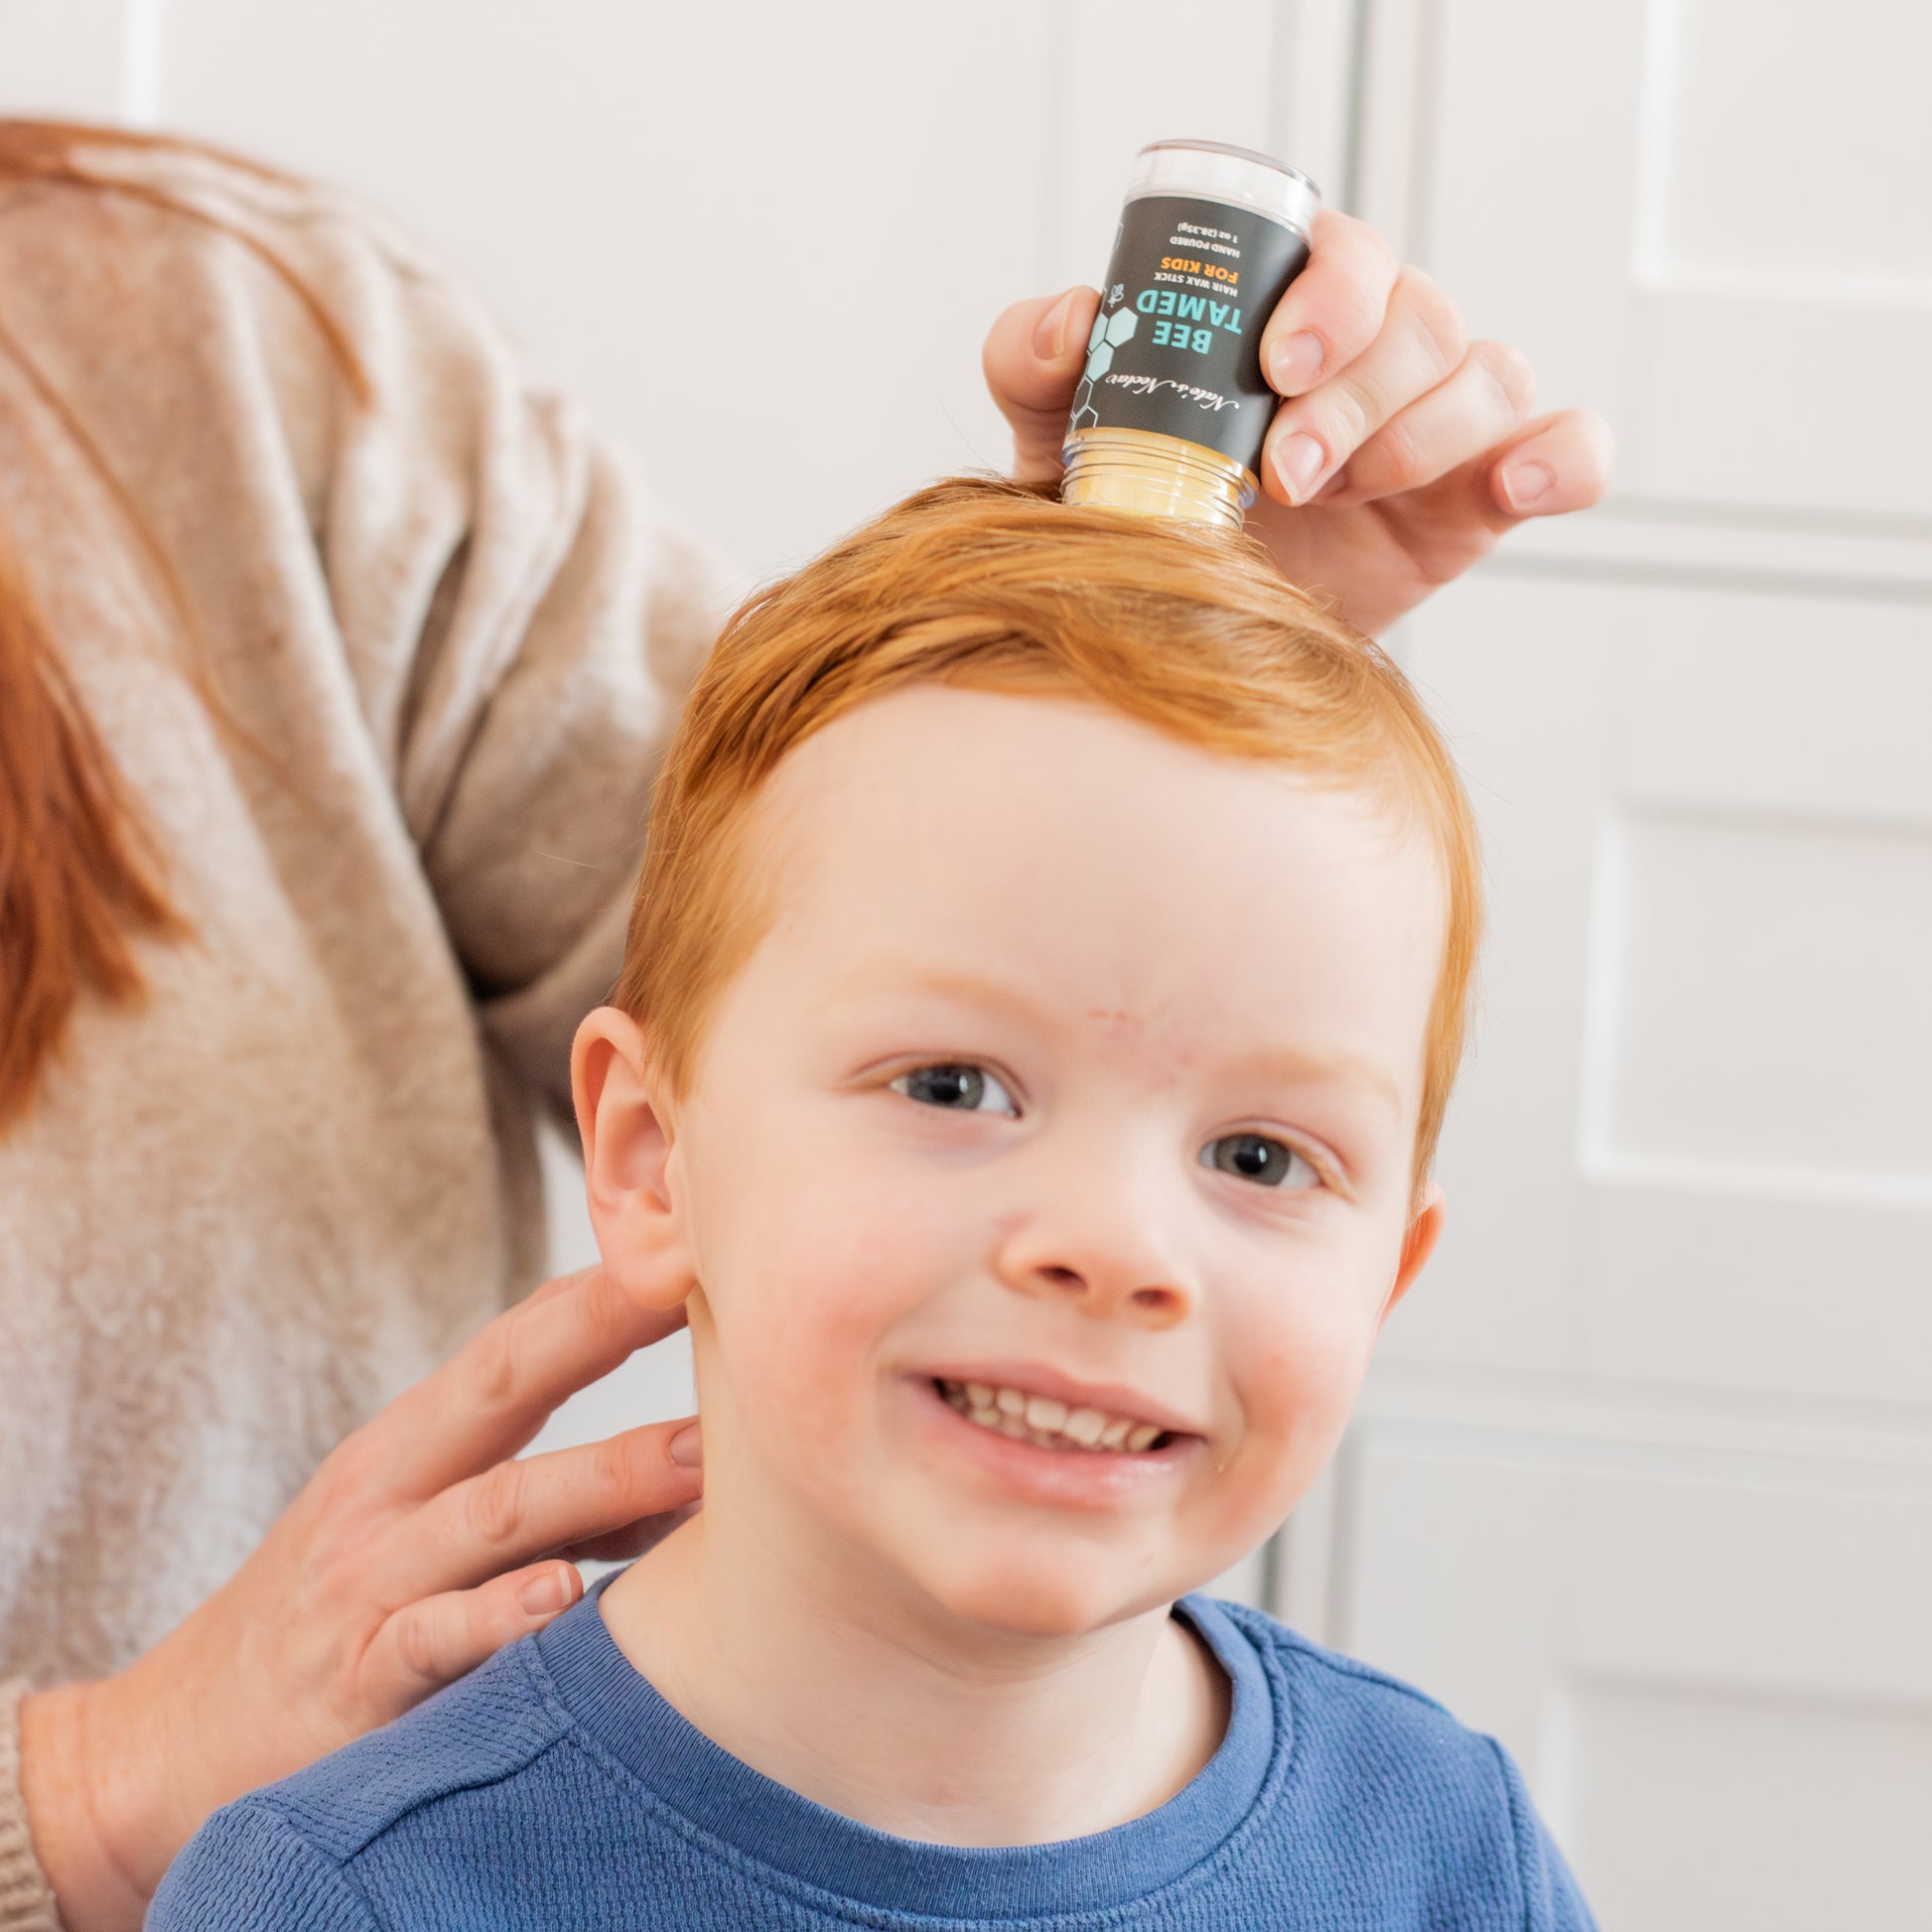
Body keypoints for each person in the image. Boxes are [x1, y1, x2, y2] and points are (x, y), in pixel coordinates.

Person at [0, 122, 1609, 1932]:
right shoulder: (346, 1894)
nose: (1112, 1247)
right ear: (650, 1157)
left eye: (1258, 1154)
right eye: (955, 1086)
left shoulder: (1437, 1850)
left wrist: (1183, 691)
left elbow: (799, 878)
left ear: (1389, 1273)